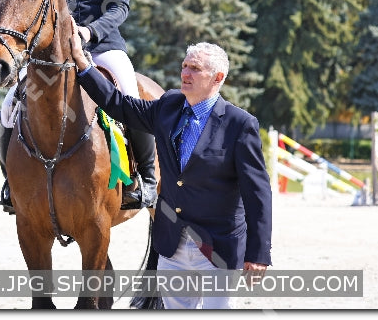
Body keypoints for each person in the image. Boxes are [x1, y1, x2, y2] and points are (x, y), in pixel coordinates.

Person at [70, 18, 272, 309]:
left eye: (195, 69)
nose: (185, 73)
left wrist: (259, 253)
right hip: (172, 244)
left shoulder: (240, 125)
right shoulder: (169, 106)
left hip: (218, 247)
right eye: (185, 66)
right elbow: (118, 104)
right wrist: (82, 63)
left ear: (218, 78)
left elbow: (258, 194)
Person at [0, 0, 158, 214]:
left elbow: (119, 7)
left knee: (128, 93)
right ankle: (10, 183)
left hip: (101, 45)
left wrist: (89, 32)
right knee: (10, 104)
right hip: (54, 51)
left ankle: (145, 178)